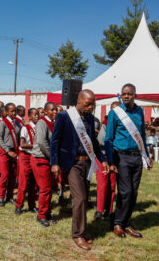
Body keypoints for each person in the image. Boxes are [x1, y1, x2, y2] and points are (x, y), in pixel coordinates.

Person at [51, 90, 108, 250]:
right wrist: (54, 162)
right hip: (72, 164)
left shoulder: (90, 118)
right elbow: (55, 140)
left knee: (84, 199)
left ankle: (82, 231)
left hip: (87, 163)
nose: (91, 107)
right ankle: (77, 234)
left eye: (93, 104)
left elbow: (93, 143)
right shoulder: (64, 116)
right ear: (79, 100)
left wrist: (102, 159)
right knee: (80, 198)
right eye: (88, 103)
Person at [104, 83, 153, 239]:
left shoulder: (139, 111)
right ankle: (118, 223)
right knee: (126, 192)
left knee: (134, 193)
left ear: (135, 95)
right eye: (124, 93)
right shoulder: (115, 113)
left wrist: (146, 156)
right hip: (121, 157)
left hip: (136, 157)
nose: (126, 96)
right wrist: (111, 162)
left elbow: (142, 136)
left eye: (129, 94)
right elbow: (108, 139)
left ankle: (127, 223)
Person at [31, 102, 57, 227]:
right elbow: (41, 142)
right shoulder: (42, 122)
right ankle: (41, 215)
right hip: (41, 158)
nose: (55, 112)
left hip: (49, 159)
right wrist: (52, 158)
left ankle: (47, 212)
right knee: (45, 188)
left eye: (56, 110)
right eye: (52, 110)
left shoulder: (54, 122)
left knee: (49, 188)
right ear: (45, 111)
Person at [95, 101, 120, 220]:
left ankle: (109, 210)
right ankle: (99, 210)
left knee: (111, 185)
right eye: (112, 109)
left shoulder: (123, 125)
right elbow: (101, 142)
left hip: (116, 159)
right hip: (103, 158)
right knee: (102, 184)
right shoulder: (105, 124)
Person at [15, 108, 39, 215]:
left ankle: (32, 205)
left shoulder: (39, 128)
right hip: (25, 156)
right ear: (29, 117)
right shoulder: (26, 128)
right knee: (23, 183)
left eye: (38, 114)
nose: (37, 116)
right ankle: (19, 205)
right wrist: (36, 146)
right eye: (35, 115)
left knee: (33, 183)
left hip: (35, 156)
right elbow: (22, 144)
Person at [0, 103, 21, 207]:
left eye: (15, 110)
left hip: (14, 151)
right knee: (5, 174)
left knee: (12, 175)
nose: (14, 113)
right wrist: (7, 150)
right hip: (4, 151)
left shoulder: (18, 123)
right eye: (11, 111)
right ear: (6, 112)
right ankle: (1, 197)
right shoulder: (3, 123)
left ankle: (9, 196)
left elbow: (19, 138)